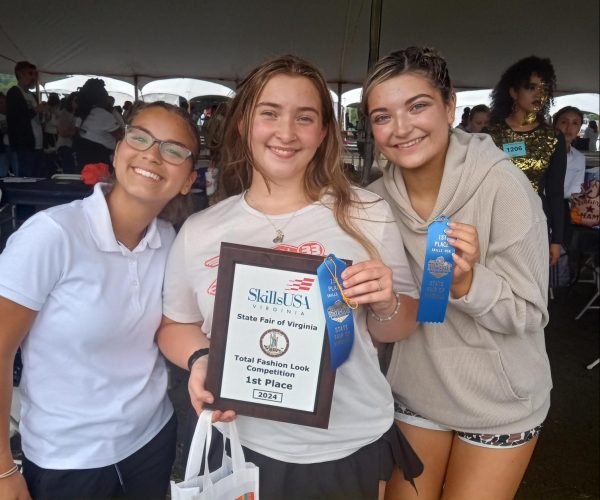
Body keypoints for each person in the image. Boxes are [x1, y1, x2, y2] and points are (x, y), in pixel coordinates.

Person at [157, 54, 423, 500]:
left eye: (305, 118)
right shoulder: (202, 230)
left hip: (347, 442)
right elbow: (175, 323)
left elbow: (400, 326)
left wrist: (385, 301)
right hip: (243, 443)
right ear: (244, 124)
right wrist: (201, 358)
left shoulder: (366, 213)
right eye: (270, 113)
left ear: (322, 134)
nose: (285, 133)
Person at [363, 46, 552, 500]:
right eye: (382, 116)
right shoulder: (372, 203)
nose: (401, 128)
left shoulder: (503, 185)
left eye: (418, 106)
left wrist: (468, 284)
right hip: (414, 392)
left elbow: (529, 314)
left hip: (498, 402)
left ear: (450, 107)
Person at [0, 101, 199, 499]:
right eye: (140, 137)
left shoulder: (170, 241)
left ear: (188, 180)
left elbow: (168, 325)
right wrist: (3, 471)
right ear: (118, 150)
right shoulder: (52, 235)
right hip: (68, 461)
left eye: (173, 149)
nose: (152, 154)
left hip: (151, 440)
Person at [487, 56, 567, 267]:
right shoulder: (490, 134)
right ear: (514, 92)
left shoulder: (553, 137)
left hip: (536, 223)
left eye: (544, 88)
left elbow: (555, 192)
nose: (539, 94)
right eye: (531, 87)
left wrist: (557, 239)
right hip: (494, 222)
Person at [6, 61, 47, 177]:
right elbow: (16, 118)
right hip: (24, 146)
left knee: (37, 177)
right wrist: (35, 110)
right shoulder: (14, 93)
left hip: (37, 144)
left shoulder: (32, 95)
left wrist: (44, 114)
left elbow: (36, 120)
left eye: (35, 74)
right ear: (20, 74)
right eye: (30, 73)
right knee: (26, 178)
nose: (33, 77)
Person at [553, 106, 586, 246]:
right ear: (555, 125)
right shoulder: (540, 153)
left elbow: (575, 193)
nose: (569, 127)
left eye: (575, 123)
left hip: (562, 208)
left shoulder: (579, 158)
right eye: (564, 122)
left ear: (579, 129)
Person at [73, 78, 123, 169]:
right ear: (101, 97)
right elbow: (122, 135)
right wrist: (113, 110)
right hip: (101, 160)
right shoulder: (102, 115)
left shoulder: (81, 113)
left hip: (84, 158)